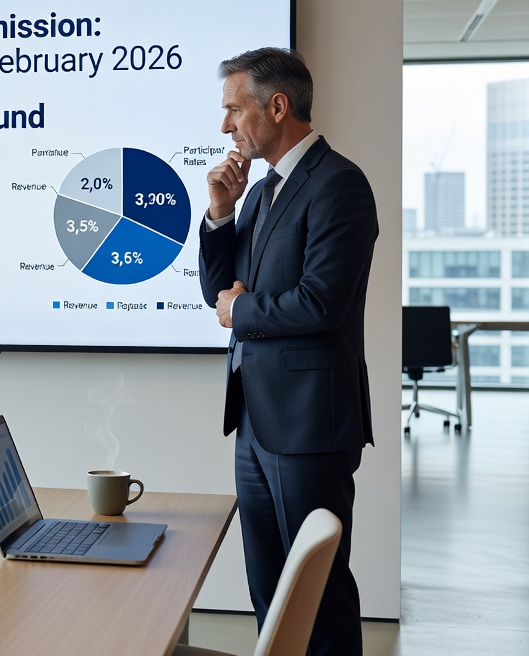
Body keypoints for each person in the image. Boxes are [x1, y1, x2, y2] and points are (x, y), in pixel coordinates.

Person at [198, 48, 377, 654]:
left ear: (276, 107)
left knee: (317, 598)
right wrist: (221, 216)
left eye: (233, 109)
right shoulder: (258, 193)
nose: (225, 126)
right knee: (268, 594)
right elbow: (217, 294)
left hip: (308, 425)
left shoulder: (339, 184)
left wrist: (242, 309)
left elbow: (320, 302)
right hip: (254, 419)